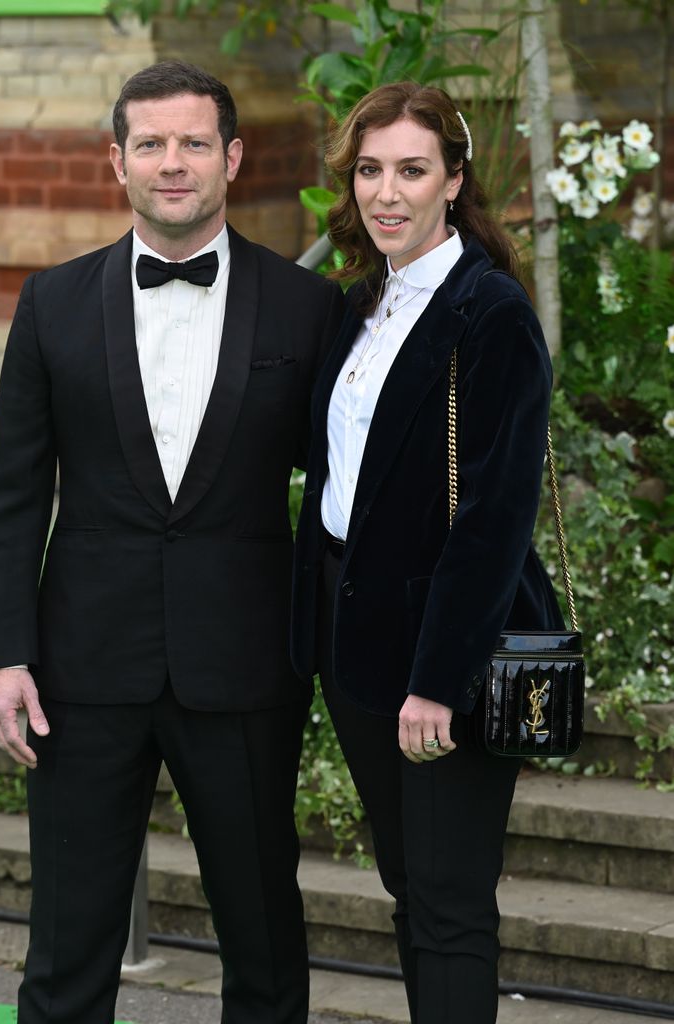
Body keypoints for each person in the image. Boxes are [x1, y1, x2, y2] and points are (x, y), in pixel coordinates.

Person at [0, 59, 343, 1024]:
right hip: (82, 673)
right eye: (150, 144)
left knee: (264, 944)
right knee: (65, 947)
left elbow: (348, 491)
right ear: (118, 161)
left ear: (230, 157)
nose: (170, 164)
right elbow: (14, 493)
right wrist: (4, 653)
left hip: (248, 670)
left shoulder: (309, 310)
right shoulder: (49, 302)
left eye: (191, 144)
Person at [291, 82, 564, 1024]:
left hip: (446, 656)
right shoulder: (363, 302)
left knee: (449, 904)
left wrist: (439, 679)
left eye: (412, 169)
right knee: (410, 885)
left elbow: (493, 521)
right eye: (370, 170)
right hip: (353, 639)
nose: (387, 192)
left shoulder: (489, 314)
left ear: (455, 179)